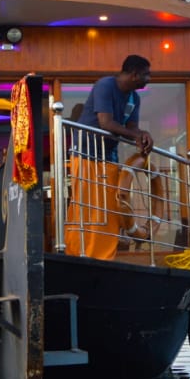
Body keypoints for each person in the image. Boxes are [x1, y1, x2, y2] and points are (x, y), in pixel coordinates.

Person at [64, 55, 153, 260]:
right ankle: (78, 252)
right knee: (87, 205)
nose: (149, 79)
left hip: (109, 157)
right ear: (134, 74)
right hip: (86, 152)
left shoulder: (134, 98)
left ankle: (104, 255)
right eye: (147, 75)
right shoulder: (105, 85)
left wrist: (143, 135)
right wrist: (137, 135)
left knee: (110, 206)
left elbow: (131, 128)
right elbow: (106, 123)